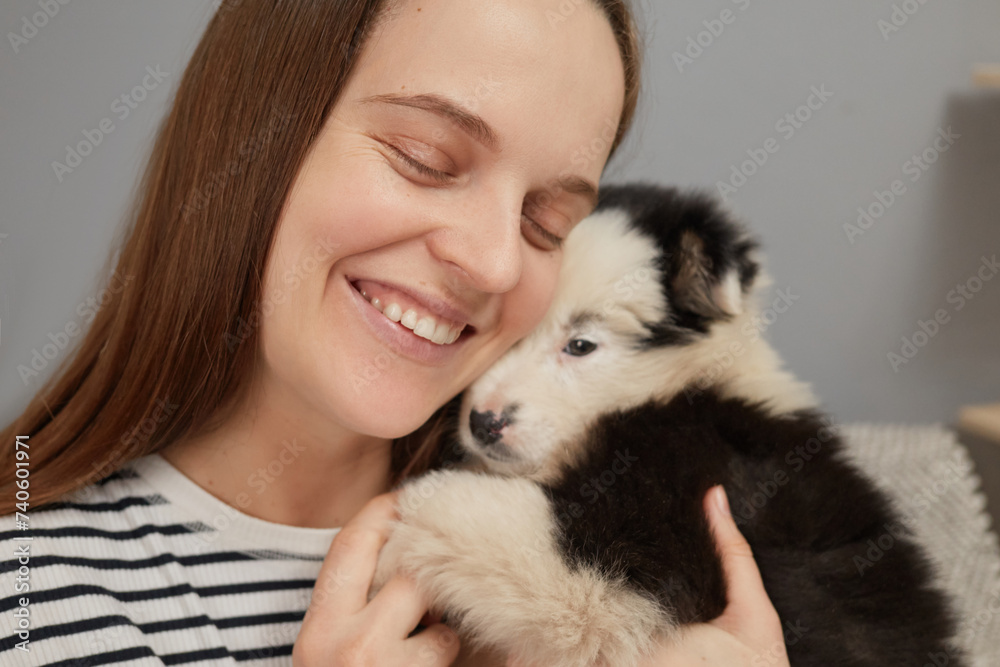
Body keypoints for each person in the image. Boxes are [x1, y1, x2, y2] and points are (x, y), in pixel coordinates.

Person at [0, 1, 791, 665]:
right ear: (251, 140)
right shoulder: (28, 595)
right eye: (425, 158)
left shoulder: (636, 559)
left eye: (546, 223)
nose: (491, 262)